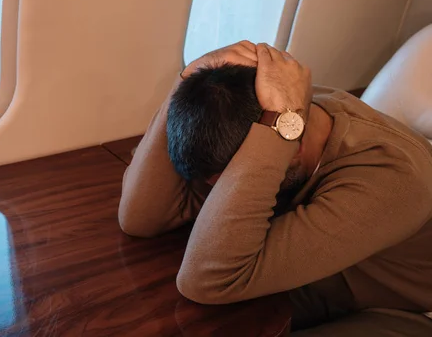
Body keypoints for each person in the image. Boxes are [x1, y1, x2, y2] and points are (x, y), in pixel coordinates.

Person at [118, 41, 432, 336]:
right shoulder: (268, 111)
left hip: (388, 307)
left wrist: (281, 129)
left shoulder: (392, 177)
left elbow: (206, 281)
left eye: (231, 180)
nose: (216, 190)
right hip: (303, 277)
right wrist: (189, 78)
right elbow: (141, 219)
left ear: (291, 146)